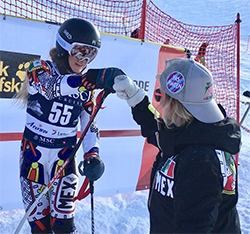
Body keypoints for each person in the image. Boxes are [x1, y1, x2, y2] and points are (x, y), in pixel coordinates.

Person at [14, 18, 124, 233]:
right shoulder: (40, 68)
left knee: (64, 225)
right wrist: (86, 80)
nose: (84, 60)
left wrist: (92, 154)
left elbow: (90, 123)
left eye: (91, 54)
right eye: (80, 52)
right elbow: (50, 88)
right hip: (33, 155)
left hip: (64, 158)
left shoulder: (85, 86)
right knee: (39, 227)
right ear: (64, 47)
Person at [110, 58, 241, 233]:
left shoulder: (199, 160)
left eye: (164, 96)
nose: (161, 102)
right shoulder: (192, 134)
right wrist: (135, 97)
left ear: (175, 104)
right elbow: (158, 132)